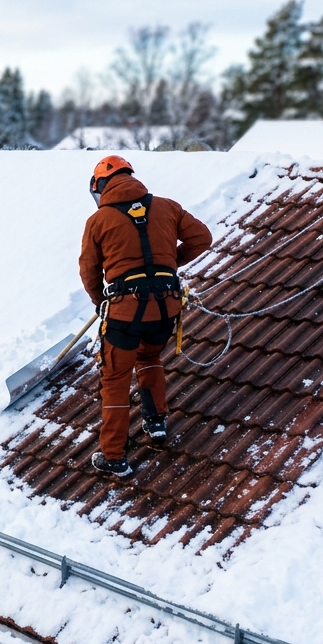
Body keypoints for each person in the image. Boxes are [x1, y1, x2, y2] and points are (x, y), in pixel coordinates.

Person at [79, 156, 212, 477]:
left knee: (115, 378)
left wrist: (100, 301)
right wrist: (166, 268)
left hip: (125, 310)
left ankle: (113, 454)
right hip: (166, 306)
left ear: (99, 187)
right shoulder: (167, 207)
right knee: (150, 356)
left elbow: (88, 271)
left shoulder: (99, 221)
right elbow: (202, 238)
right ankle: (156, 423)